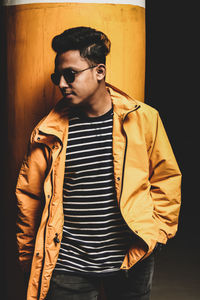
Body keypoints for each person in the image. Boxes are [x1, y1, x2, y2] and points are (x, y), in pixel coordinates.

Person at [16, 26, 182, 300]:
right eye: (57, 76)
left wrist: (158, 233)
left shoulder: (143, 119)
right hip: (68, 264)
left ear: (99, 72)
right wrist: (28, 256)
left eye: (70, 74)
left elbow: (166, 178)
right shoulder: (48, 131)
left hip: (130, 258)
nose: (61, 84)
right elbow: (29, 196)